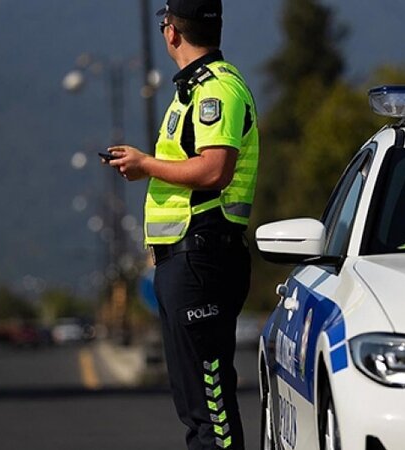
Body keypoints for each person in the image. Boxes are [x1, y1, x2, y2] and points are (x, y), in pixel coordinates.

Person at [105, 1, 259, 448]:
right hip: (185, 260)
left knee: (212, 409)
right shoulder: (193, 90)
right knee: (195, 408)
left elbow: (214, 171)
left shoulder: (217, 91)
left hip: (203, 257)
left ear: (171, 32)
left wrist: (147, 164)